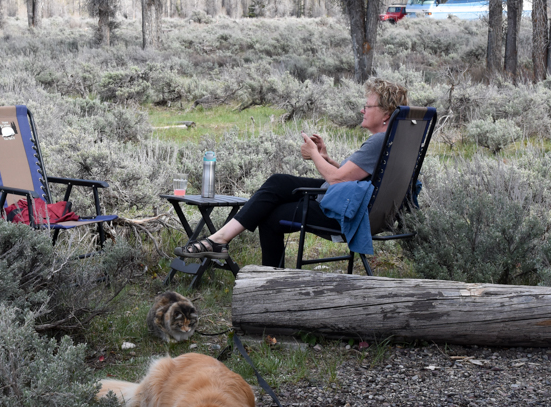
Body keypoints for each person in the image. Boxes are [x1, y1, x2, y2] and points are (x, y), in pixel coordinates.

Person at [174, 78, 409, 267]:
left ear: (386, 113)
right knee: (278, 183)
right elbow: (357, 176)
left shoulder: (379, 141)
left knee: (271, 215)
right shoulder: (396, 141)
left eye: (368, 106)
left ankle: (233, 251)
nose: (362, 110)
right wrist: (326, 158)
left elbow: (337, 179)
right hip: (362, 208)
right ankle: (221, 240)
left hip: (345, 214)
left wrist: (314, 155)